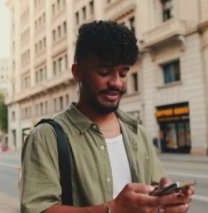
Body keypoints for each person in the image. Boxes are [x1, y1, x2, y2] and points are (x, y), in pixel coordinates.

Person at [21, 20, 195, 212]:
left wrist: (167, 204)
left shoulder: (137, 133)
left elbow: (153, 197)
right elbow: (37, 209)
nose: (117, 83)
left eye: (123, 73)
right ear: (78, 73)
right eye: (104, 72)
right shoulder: (46, 137)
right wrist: (112, 209)